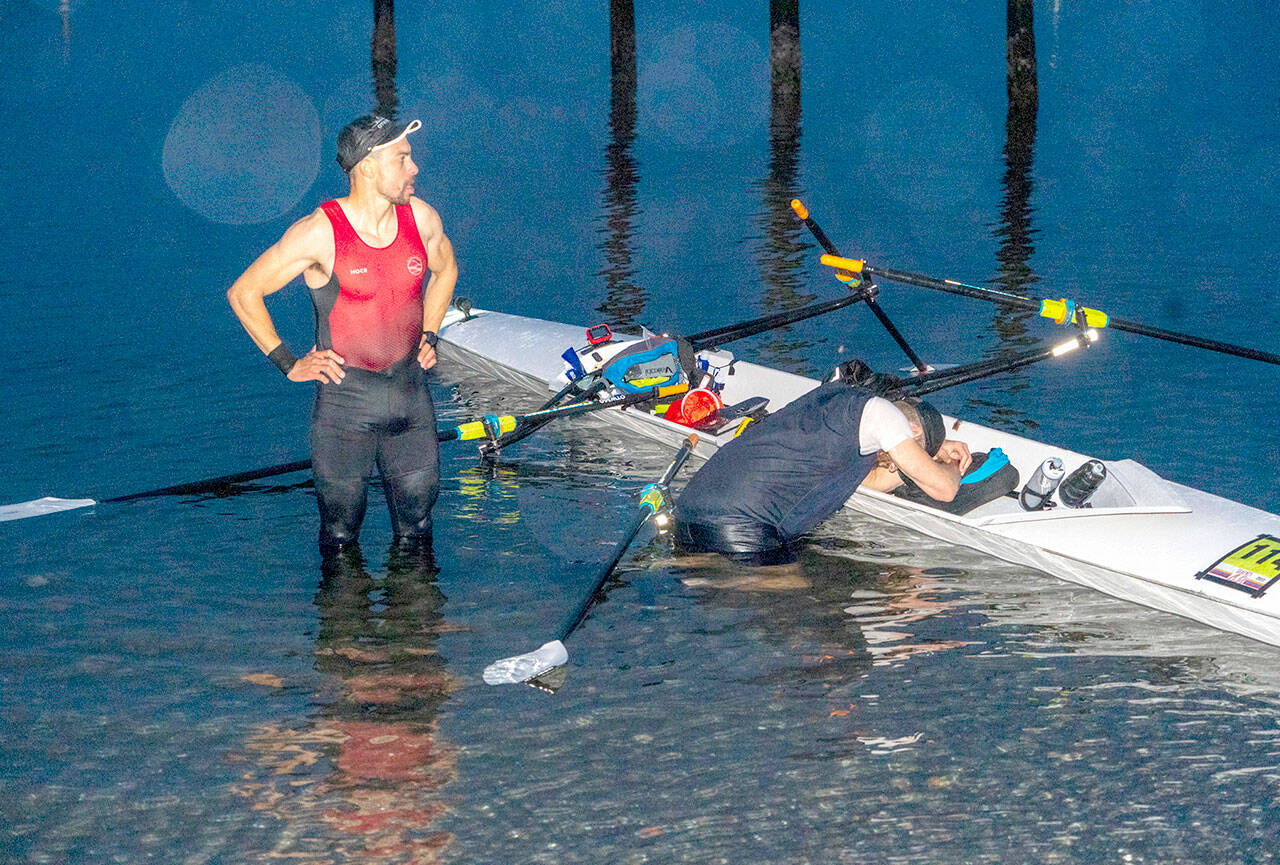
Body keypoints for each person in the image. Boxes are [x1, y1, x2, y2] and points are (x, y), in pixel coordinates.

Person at [227, 114, 458, 553]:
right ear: (369, 166)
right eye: (403, 159)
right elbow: (244, 293)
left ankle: (415, 621)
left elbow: (446, 270)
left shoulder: (422, 218)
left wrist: (429, 333)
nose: (415, 169)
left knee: (418, 532)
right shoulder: (320, 233)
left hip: (411, 401)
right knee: (340, 537)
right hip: (344, 410)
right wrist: (289, 364)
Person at [673, 379, 972, 563]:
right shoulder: (885, 415)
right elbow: (943, 489)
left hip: (689, 510)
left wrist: (930, 452)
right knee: (814, 601)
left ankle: (691, 565)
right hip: (739, 530)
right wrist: (948, 464)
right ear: (912, 430)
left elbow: (866, 482)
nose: (898, 462)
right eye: (912, 451)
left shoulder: (835, 403)